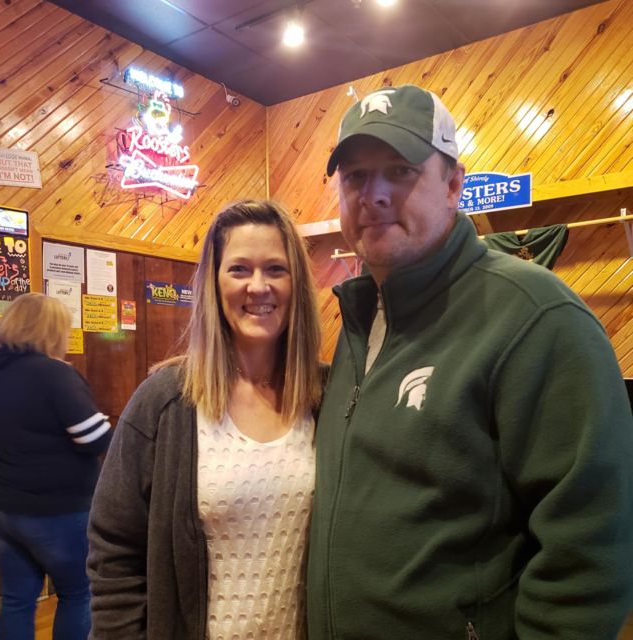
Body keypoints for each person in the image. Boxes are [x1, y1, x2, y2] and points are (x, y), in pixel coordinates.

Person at [307, 84, 633, 639]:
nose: (373, 194)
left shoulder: (536, 316)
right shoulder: (359, 320)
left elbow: (591, 551)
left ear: (455, 185)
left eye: (400, 170)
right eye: (355, 176)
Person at [87, 200, 323, 639]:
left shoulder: (323, 396)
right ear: (214, 284)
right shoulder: (165, 401)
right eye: (239, 269)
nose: (258, 286)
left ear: (297, 284)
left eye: (276, 269)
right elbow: (114, 550)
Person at [0, 293, 112, 640]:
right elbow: (95, 439)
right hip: (57, 510)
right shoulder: (54, 374)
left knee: (16, 599)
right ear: (51, 330)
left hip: (2, 510)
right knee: (78, 593)